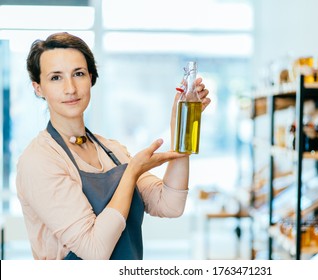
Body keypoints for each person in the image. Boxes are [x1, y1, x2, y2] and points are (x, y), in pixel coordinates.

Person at [16, 32, 211, 260]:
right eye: (56, 78)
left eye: (78, 74)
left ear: (91, 78)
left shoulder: (113, 151)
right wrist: (132, 173)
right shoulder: (39, 161)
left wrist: (181, 128)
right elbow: (94, 250)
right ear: (38, 88)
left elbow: (170, 204)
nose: (70, 88)